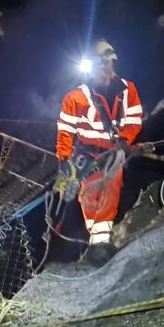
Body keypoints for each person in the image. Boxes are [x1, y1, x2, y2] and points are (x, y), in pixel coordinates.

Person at [55, 39, 145, 266]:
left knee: (110, 188)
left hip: (114, 151)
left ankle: (100, 243)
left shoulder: (127, 90)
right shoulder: (76, 97)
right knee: (88, 195)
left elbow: (134, 120)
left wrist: (124, 142)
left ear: (110, 62)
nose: (104, 67)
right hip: (88, 153)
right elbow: (66, 129)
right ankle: (98, 240)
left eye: (105, 62)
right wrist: (64, 158)